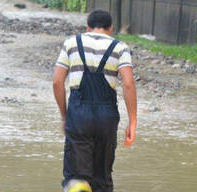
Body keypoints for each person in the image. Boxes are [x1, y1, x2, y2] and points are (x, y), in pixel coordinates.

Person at [53, 10, 137, 192]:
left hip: (79, 116)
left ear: (88, 27)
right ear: (111, 28)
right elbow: (128, 84)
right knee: (102, 179)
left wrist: (65, 116)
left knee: (76, 178)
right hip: (107, 117)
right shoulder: (120, 47)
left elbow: (57, 82)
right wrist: (133, 121)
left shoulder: (72, 43)